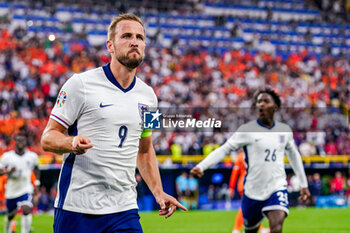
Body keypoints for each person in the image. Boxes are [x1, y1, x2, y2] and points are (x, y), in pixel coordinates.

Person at [40, 13, 186, 233]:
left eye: (139, 37)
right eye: (126, 36)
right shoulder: (80, 84)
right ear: (110, 45)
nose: (134, 41)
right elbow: (47, 137)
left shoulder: (150, 97)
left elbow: (144, 150)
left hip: (124, 208)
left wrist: (158, 191)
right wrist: (71, 143)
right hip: (77, 208)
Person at [191, 88, 310, 233]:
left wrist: (303, 184)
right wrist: (202, 166)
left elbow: (294, 156)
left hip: (276, 187)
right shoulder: (247, 130)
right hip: (252, 192)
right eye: (259, 101)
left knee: (277, 225)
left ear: (275, 107)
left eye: (266, 101)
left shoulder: (284, 130)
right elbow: (225, 149)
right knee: (250, 230)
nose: (261, 104)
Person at [0, 133, 39, 233]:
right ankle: (7, 229)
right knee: (10, 215)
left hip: (26, 188)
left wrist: (37, 183)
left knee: (26, 209)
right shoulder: (7, 156)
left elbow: (36, 168)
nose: (20, 142)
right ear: (15, 142)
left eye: (23, 140)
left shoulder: (32, 156)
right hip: (12, 190)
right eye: (18, 140)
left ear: (26, 142)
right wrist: (7, 172)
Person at [229, 153, 268, 233]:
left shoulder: (240, 157)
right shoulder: (255, 154)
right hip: (251, 184)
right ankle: (236, 229)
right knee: (245, 208)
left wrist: (231, 187)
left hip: (243, 184)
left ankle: (259, 227)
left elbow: (235, 172)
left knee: (252, 208)